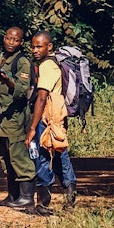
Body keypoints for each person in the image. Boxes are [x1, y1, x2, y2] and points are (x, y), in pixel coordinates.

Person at [24, 31, 78, 216]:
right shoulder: (55, 63)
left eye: (39, 46)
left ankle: (43, 204)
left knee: (43, 157)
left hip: (47, 118)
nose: (35, 50)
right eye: (33, 46)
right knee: (60, 154)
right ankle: (70, 197)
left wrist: (32, 128)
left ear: (50, 46)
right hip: (57, 116)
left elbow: (41, 98)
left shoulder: (47, 65)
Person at [0, 27, 36, 209]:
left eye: (15, 40)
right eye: (8, 38)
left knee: (19, 156)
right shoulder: (2, 57)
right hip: (2, 117)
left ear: (21, 42)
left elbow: (22, 90)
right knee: (6, 157)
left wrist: (9, 82)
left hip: (15, 117)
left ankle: (27, 197)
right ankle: (13, 195)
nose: (11, 42)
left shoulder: (22, 61)